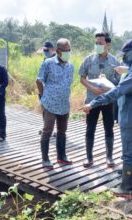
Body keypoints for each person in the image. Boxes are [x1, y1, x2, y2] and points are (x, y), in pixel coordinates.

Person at [83, 40, 132, 199]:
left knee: (130, 152)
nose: (125, 59)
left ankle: (127, 188)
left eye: (127, 55)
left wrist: (94, 103)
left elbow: (119, 91)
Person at [79, 32, 121, 168]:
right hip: (92, 100)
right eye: (96, 43)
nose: (97, 45)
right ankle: (88, 157)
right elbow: (82, 78)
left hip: (108, 101)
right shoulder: (89, 60)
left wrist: (109, 84)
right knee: (90, 128)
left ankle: (109, 157)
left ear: (108, 45)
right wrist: (93, 89)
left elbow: (119, 81)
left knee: (109, 128)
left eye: (100, 43)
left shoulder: (115, 61)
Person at [36, 38, 74, 169]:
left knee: (62, 131)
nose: (68, 53)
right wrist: (42, 96)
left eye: (69, 50)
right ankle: (45, 159)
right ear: (58, 51)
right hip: (50, 103)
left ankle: (61, 156)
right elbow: (39, 81)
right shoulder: (48, 63)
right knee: (47, 131)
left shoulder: (70, 66)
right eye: (65, 50)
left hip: (64, 104)